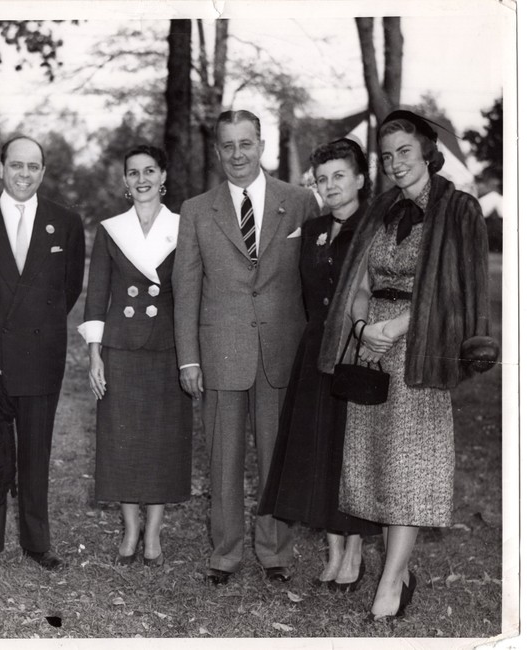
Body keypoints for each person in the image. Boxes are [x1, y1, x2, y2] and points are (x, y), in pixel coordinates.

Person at [318, 110, 498, 620]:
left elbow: (460, 290)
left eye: (404, 152)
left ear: (426, 153)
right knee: (377, 465)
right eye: (387, 155)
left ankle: (392, 580)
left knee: (411, 468)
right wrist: (360, 328)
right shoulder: (380, 209)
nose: (396, 163)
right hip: (370, 345)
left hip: (420, 348)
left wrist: (394, 328)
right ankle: (395, 572)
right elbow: (358, 281)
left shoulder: (459, 209)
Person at [172, 110, 320, 586]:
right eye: (227, 146)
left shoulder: (299, 202)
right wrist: (189, 357)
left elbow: (316, 277)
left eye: (246, 144)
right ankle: (225, 554)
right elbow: (186, 286)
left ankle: (275, 552)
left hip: (282, 350)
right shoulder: (197, 210)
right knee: (223, 459)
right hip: (221, 351)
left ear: (262, 145)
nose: (237, 154)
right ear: (216, 151)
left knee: (277, 457)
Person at [0, 135, 86, 573]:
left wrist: (38, 328)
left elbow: (67, 290)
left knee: (35, 453)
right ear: (0, 168)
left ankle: (36, 540)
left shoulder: (65, 222)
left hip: (40, 353)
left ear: (43, 172)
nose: (24, 174)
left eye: (33, 166)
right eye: (16, 165)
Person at [259, 139, 380, 591]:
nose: (329, 186)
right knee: (322, 451)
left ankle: (354, 553)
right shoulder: (311, 230)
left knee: (350, 451)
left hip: (356, 349)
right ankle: (333, 552)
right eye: (322, 179)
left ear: (360, 180)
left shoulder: (376, 228)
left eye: (339, 176)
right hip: (316, 351)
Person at [79, 145, 193, 567]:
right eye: (133, 173)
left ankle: (154, 534)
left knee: (163, 440)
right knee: (121, 440)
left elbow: (190, 294)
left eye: (149, 171)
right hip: (121, 347)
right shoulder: (111, 230)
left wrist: (190, 356)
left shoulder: (184, 227)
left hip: (167, 347)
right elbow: (96, 297)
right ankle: (130, 529)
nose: (141, 179)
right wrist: (95, 356)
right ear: (124, 181)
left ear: (163, 176)